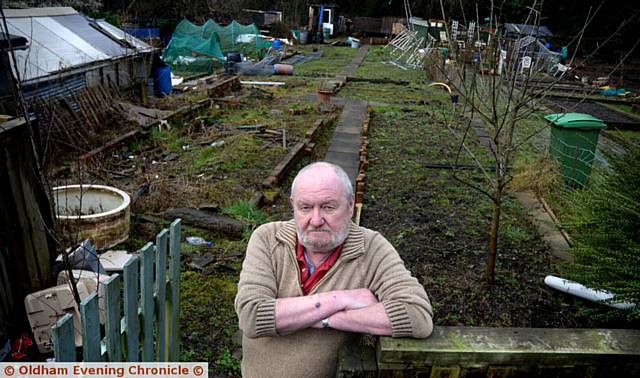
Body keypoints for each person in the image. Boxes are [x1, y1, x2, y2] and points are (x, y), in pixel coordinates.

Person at [234, 161, 433, 378]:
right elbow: (252, 316)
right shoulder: (267, 239)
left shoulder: (371, 248)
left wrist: (326, 319)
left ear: (350, 206)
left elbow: (416, 315)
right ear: (293, 206)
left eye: (328, 207)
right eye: (305, 207)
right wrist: (339, 300)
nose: (316, 220)